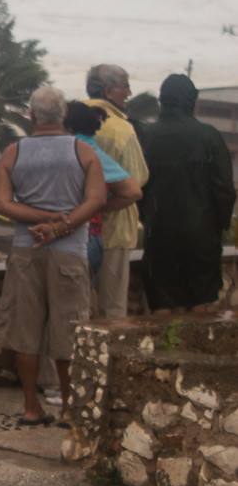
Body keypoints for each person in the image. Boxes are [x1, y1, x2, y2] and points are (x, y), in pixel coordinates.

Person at [0, 86, 106, 426]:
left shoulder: (13, 152)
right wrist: (60, 225)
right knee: (68, 331)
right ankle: (70, 408)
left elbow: (1, 203)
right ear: (64, 115)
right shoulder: (83, 151)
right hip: (70, 254)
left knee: (25, 331)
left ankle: (31, 406)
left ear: (31, 116)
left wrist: (38, 221)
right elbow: (97, 199)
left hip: (26, 251)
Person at [138, 74, 236, 314]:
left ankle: (163, 349)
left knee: (161, 302)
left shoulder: (146, 137)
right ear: (192, 101)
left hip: (158, 233)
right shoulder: (209, 137)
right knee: (201, 301)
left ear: (163, 101)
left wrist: (147, 218)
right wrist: (219, 225)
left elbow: (137, 185)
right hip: (201, 235)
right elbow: (224, 188)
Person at [82, 65, 150, 318]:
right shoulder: (121, 128)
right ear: (109, 91)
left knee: (76, 309)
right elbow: (138, 179)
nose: (129, 92)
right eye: (125, 86)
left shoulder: (70, 117)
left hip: (75, 227)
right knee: (112, 311)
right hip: (115, 227)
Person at [64, 101, 143, 279]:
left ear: (68, 126)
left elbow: (133, 191)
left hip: (82, 237)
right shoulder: (88, 149)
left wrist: (93, 207)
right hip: (86, 235)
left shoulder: (84, 150)